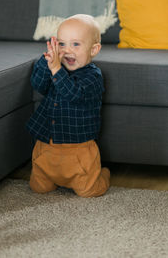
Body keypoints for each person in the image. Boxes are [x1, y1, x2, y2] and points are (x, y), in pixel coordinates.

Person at [26, 14, 110, 198]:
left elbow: (73, 94)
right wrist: (46, 62)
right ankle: (48, 177)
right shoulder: (56, 65)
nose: (67, 51)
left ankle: (102, 175)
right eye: (62, 44)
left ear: (94, 49)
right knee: (39, 187)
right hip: (46, 145)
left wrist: (56, 69)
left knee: (88, 191)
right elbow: (38, 86)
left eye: (76, 44)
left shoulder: (93, 76)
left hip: (78, 150)